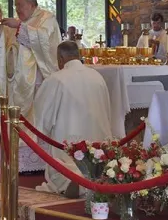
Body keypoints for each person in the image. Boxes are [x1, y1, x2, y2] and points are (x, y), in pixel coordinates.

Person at [34, 41, 112, 196]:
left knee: (64, 164)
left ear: (60, 59)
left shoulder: (56, 79)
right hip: (98, 145)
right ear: (79, 55)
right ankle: (95, 175)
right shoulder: (98, 77)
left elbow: (42, 116)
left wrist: (41, 131)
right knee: (96, 160)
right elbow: (107, 112)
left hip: (68, 145)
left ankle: (71, 179)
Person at [0, 0, 61, 122]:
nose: (17, 9)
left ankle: (33, 139)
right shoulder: (18, 22)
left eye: (20, 5)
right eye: (15, 6)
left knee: (35, 114)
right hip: (16, 78)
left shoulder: (46, 18)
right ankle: (16, 138)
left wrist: (19, 26)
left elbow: (44, 40)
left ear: (32, 4)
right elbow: (3, 41)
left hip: (37, 77)